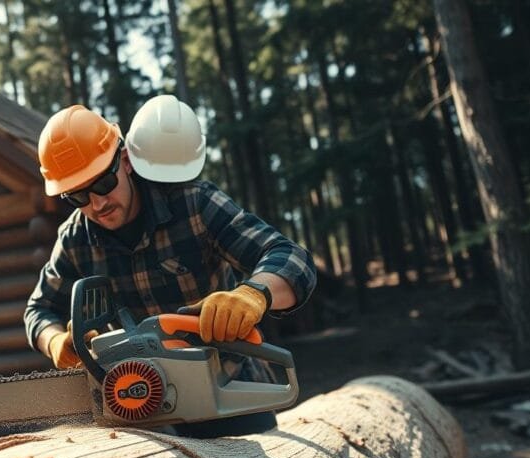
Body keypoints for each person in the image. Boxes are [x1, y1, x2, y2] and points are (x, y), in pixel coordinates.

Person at [23, 95, 317, 438]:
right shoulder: (75, 238)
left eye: (103, 183)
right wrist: (56, 341)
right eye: (79, 196)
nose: (98, 203)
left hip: (229, 387)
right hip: (141, 402)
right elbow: (39, 309)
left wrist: (254, 294)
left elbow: (291, 257)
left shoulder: (192, 204)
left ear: (125, 160)